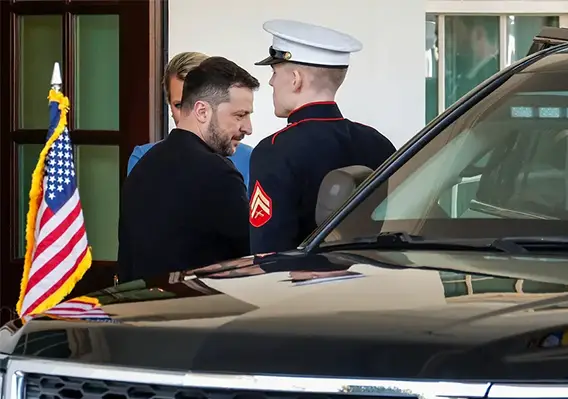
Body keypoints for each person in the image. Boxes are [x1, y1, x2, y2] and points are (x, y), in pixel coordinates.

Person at [248, 19, 396, 254]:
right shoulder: (378, 143)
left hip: (301, 287)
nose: (271, 81)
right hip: (370, 280)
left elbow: (268, 252)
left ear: (296, 79)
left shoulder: (275, 150)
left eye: (275, 72)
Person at [118, 56, 259, 282]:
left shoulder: (143, 166)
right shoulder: (219, 173)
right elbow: (252, 257)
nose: (248, 128)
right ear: (202, 111)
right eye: (239, 115)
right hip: (196, 311)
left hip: (139, 309)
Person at [127, 52, 254, 188]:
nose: (191, 115)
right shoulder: (144, 158)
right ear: (169, 105)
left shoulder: (251, 159)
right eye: (180, 105)